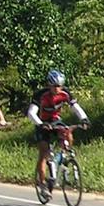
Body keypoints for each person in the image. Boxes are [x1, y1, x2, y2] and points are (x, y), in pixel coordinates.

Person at [26, 69, 89, 197]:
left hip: (55, 120)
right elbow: (31, 113)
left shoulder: (65, 93)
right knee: (43, 153)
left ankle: (62, 157)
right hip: (42, 122)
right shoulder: (40, 95)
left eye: (59, 86)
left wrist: (84, 119)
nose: (57, 89)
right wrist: (40, 124)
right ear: (49, 85)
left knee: (67, 133)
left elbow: (75, 107)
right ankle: (42, 184)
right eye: (54, 86)